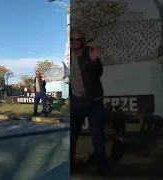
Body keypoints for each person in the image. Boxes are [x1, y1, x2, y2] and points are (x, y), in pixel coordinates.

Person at [69, 29, 109, 176]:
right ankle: (70, 166)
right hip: (76, 103)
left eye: (78, 39)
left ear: (82, 40)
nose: (75, 42)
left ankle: (102, 166)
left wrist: (93, 62)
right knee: (71, 136)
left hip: (93, 102)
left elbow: (98, 71)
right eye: (72, 39)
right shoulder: (67, 56)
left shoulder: (88, 52)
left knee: (97, 136)